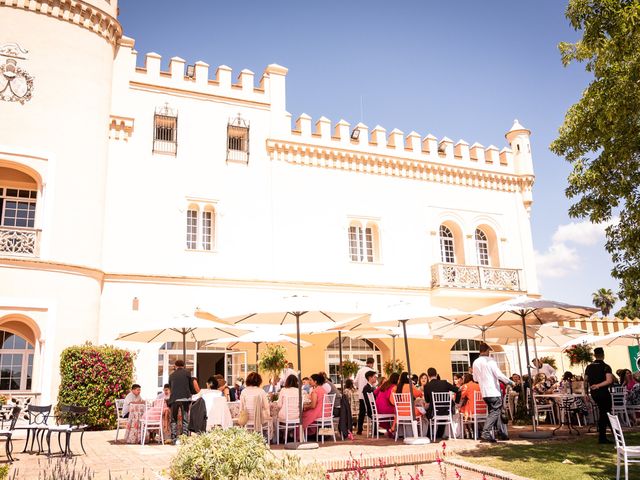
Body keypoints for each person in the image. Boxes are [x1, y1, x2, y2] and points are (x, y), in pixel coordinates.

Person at [472, 343, 513, 443]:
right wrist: (510, 381)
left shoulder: (475, 362)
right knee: (495, 412)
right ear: (486, 351)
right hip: (493, 390)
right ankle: (486, 432)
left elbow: (475, 378)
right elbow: (499, 374)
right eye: (489, 351)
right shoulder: (490, 361)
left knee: (495, 412)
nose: (489, 353)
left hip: (484, 392)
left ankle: (501, 433)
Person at [585, 347, 614, 444]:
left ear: (594, 355)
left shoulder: (589, 367)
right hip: (603, 392)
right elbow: (609, 380)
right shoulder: (606, 367)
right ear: (603, 354)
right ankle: (602, 437)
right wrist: (598, 385)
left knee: (604, 412)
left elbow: (585, 381)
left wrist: (585, 392)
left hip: (594, 394)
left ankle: (613, 433)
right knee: (605, 413)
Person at [422, 368, 457, 439]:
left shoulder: (427, 386)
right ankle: (439, 434)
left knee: (426, 412)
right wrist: (458, 401)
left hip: (434, 412)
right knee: (441, 413)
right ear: (436, 374)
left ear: (428, 376)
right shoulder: (444, 383)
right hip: (446, 410)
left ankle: (430, 434)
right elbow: (457, 390)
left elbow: (427, 401)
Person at [168, 359, 193, 444]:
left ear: (175, 365)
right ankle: (185, 438)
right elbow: (191, 386)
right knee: (185, 419)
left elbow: (171, 388)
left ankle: (173, 438)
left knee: (173, 419)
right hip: (185, 399)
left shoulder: (171, 375)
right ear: (183, 365)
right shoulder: (187, 373)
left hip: (174, 399)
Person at [354, 357, 376, 435]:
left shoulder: (360, 370)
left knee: (362, 412)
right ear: (372, 363)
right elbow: (374, 384)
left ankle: (359, 430)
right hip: (370, 394)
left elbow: (355, 382)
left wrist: (359, 387)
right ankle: (374, 429)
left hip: (361, 394)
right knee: (372, 410)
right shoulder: (372, 371)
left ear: (366, 362)